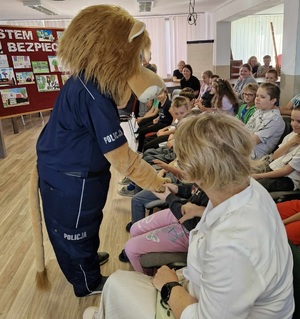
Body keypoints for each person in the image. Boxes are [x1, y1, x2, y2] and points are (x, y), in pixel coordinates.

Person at [84, 112, 294, 319]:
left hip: (205, 304)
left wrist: (169, 287)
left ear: (192, 171)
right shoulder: (247, 188)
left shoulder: (233, 245)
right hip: (206, 289)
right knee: (117, 287)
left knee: (115, 284)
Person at [35, 5, 168, 298]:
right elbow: (121, 154)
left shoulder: (86, 79)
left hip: (67, 167)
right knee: (76, 230)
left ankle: (86, 263)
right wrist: (157, 183)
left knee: (86, 223)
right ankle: (87, 282)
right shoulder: (92, 92)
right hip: (73, 175)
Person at [123, 183, 209, 272]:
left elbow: (194, 221)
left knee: (130, 248)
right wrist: (178, 189)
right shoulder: (208, 179)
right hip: (183, 210)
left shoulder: (218, 191)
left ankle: (144, 279)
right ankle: (140, 255)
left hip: (191, 229)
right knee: (134, 229)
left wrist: (169, 198)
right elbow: (195, 190)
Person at [252, 105, 300, 192]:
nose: (293, 124)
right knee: (241, 177)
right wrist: (291, 143)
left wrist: (258, 176)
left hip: (287, 179)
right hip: (274, 167)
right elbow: (275, 156)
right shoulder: (292, 135)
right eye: (292, 120)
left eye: (299, 121)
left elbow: (286, 171)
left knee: (252, 186)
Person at [246, 82, 285, 159]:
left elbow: (253, 141)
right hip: (245, 148)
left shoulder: (275, 118)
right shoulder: (258, 111)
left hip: (254, 156)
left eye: (262, 97)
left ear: (273, 101)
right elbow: (246, 130)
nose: (257, 99)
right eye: (257, 95)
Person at [136, 89, 174, 153]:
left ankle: (140, 151)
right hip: (160, 122)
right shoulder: (160, 103)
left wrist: (169, 129)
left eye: (160, 94)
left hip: (164, 125)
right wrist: (157, 118)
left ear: (165, 93)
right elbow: (161, 114)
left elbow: (174, 118)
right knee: (141, 130)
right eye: (157, 95)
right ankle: (141, 149)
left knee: (142, 131)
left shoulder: (168, 104)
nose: (159, 96)